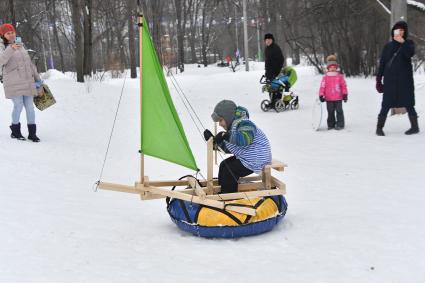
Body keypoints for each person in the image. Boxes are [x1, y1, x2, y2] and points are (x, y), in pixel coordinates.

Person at [203, 100, 272, 194]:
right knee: (224, 165)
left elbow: (245, 140)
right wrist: (215, 142)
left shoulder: (245, 123)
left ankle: (228, 195)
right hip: (248, 158)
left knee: (229, 170)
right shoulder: (232, 130)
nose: (220, 124)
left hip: (257, 158)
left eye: (221, 120)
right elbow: (230, 148)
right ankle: (223, 189)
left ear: (228, 117)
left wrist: (225, 136)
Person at [0, 23, 42, 142]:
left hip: (27, 80)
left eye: (12, 32)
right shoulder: (2, 46)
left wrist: (38, 79)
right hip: (13, 82)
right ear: (3, 35)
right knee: (18, 105)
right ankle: (15, 131)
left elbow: (29, 63)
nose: (11, 35)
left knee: (30, 107)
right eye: (8, 33)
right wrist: (11, 48)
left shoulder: (20, 45)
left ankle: (32, 133)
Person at [376, 21, 419, 136]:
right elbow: (383, 64)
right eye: (397, 30)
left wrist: (403, 43)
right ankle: (379, 128)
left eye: (402, 30)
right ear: (393, 31)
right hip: (390, 82)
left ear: (405, 32)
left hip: (405, 82)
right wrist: (378, 80)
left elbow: (409, 54)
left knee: (409, 104)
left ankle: (415, 127)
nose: (400, 32)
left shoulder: (409, 43)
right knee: (385, 104)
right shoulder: (388, 46)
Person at [319, 55, 348, 130]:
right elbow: (322, 86)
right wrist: (321, 95)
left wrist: (345, 94)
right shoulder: (325, 77)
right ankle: (331, 124)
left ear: (336, 68)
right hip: (329, 98)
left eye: (334, 67)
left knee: (339, 111)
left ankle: (340, 124)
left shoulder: (339, 76)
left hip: (338, 98)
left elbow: (343, 86)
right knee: (330, 112)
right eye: (331, 67)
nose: (333, 69)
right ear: (328, 68)